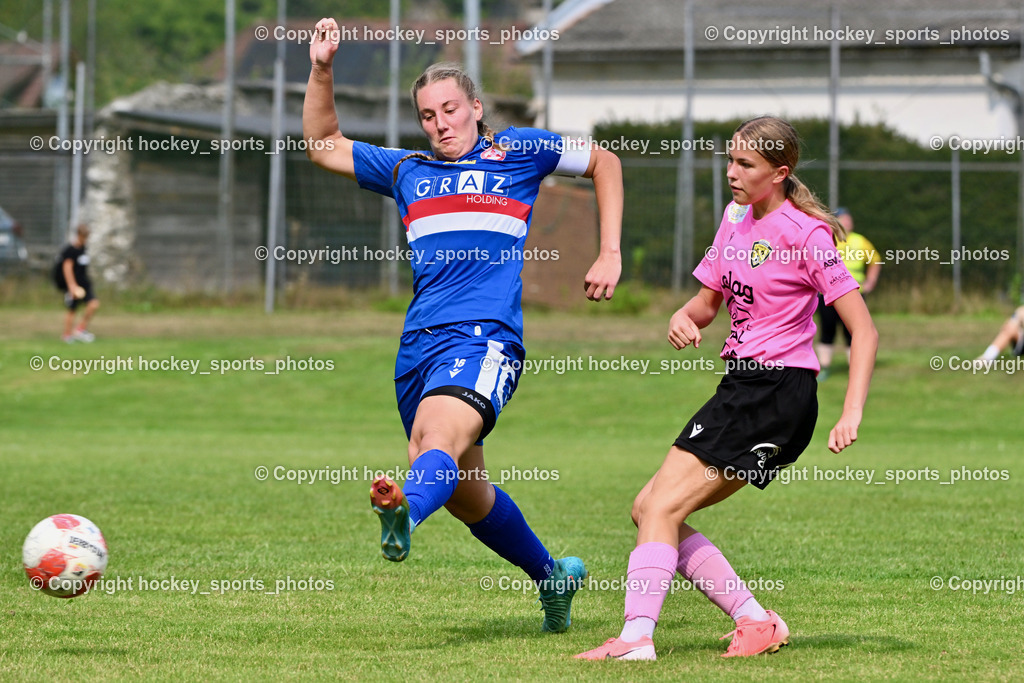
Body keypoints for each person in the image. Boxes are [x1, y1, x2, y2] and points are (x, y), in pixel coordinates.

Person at [302, 18, 623, 632]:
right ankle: (552, 575)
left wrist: (608, 252)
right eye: (427, 115)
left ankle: (403, 514)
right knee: (468, 495)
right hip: (418, 347)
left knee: (435, 441)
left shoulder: (517, 152)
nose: (440, 122)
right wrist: (322, 69)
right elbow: (323, 144)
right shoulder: (406, 171)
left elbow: (604, 162)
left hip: (484, 339)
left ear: (476, 107)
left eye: (450, 108)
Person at [576, 116, 877, 661]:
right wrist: (683, 317)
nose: (731, 173)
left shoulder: (806, 234)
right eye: (730, 160)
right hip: (742, 386)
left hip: (777, 394)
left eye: (745, 164)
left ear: (780, 172)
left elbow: (865, 330)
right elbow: (708, 303)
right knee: (648, 508)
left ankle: (636, 638)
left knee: (660, 508)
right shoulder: (735, 216)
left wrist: (850, 411)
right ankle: (755, 621)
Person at [815, 207, 880, 380]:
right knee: (827, 330)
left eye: (849, 218)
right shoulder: (826, 238)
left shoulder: (860, 241)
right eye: (843, 219)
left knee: (853, 332)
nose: (847, 222)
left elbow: (875, 261)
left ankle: (856, 369)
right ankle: (825, 368)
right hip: (827, 294)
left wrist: (870, 281)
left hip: (855, 292)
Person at [56, 224, 100, 343]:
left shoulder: (83, 249)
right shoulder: (71, 250)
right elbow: (67, 268)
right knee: (72, 309)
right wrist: (72, 286)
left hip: (84, 283)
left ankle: (80, 329)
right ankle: (67, 335)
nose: (85, 239)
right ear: (79, 235)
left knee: (93, 304)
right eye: (84, 236)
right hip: (74, 285)